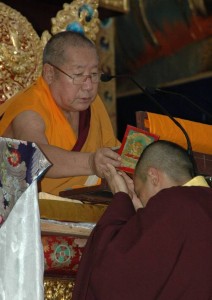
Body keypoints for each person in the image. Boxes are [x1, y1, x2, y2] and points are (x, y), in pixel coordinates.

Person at [73, 140, 212, 300]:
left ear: (153, 176)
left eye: (139, 192)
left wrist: (121, 196)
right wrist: (140, 213)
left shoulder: (172, 203)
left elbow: (112, 275)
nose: (142, 200)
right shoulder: (197, 204)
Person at [0, 31, 121, 195]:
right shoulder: (29, 111)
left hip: (89, 204)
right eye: (78, 75)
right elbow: (36, 155)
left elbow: (112, 149)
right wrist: (91, 163)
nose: (88, 86)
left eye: (93, 74)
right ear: (50, 73)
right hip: (34, 214)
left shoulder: (92, 105)